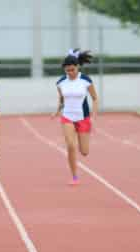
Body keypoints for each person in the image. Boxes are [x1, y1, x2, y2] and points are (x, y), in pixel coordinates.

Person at [53, 48, 98, 185]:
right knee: (71, 145)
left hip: (83, 117)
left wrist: (93, 116)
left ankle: (81, 138)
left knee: (84, 151)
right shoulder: (60, 82)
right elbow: (61, 99)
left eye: (72, 70)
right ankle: (74, 176)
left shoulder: (86, 80)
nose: (70, 73)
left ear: (77, 67)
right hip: (67, 117)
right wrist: (57, 111)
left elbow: (95, 98)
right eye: (67, 71)